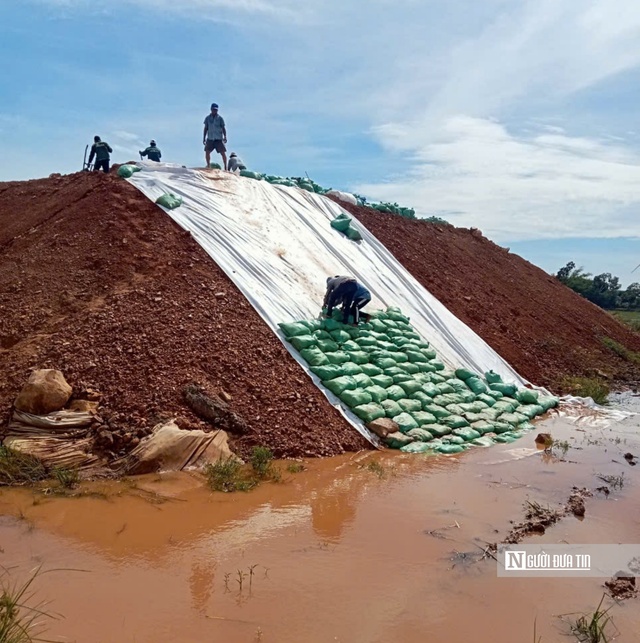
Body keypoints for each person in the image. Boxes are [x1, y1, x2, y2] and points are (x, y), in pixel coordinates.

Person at [203, 103, 227, 170]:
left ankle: (225, 167)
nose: (215, 111)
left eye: (216, 110)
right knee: (207, 151)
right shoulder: (207, 118)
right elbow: (205, 128)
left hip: (218, 138)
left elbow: (223, 128)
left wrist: (225, 136)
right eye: (213, 109)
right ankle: (208, 165)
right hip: (210, 138)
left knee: (223, 152)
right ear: (211, 109)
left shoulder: (220, 118)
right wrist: (204, 138)